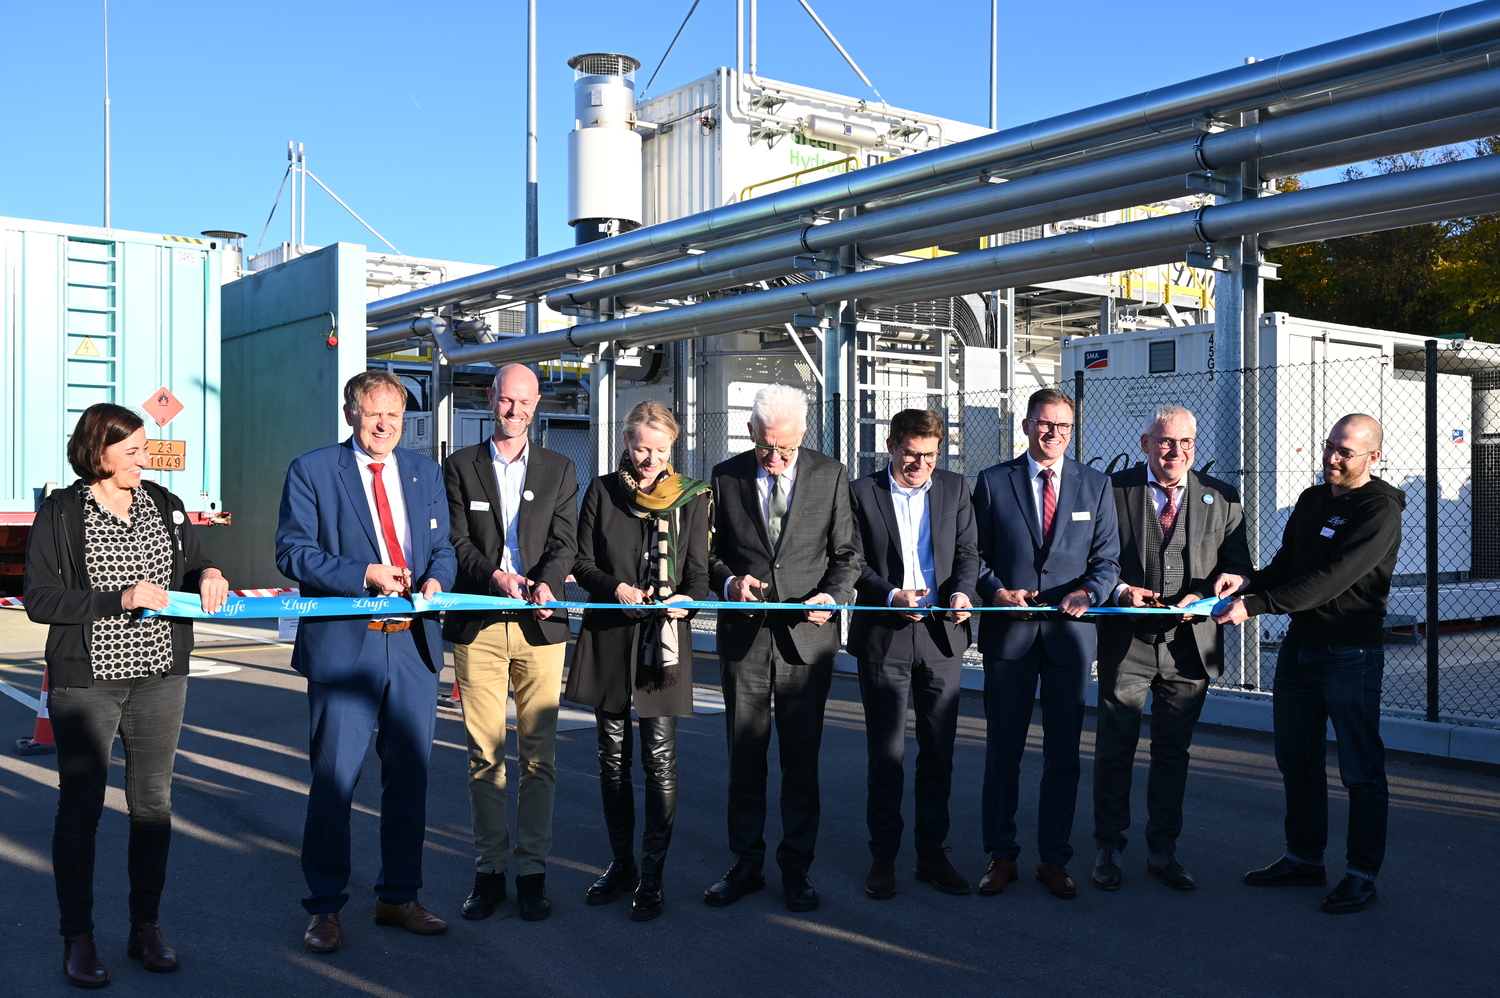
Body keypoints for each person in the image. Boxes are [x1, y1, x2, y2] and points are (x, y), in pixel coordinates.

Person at [24, 402, 228, 988]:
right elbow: (40, 599)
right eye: (133, 451)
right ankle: (78, 937)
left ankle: (146, 928)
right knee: (81, 809)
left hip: (160, 675)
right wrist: (121, 598)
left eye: (145, 449)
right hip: (87, 680)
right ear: (99, 453)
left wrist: (209, 574)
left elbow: (194, 563)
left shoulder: (164, 504)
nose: (146, 460)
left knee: (153, 805)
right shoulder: (61, 512)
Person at [275, 371, 456, 954]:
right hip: (346, 647)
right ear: (350, 413)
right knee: (335, 780)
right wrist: (365, 574)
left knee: (410, 780)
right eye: (374, 414)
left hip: (412, 646)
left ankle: (399, 896)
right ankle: (324, 907)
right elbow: (293, 552)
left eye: (395, 416)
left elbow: (444, 549)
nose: (385, 426)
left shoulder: (425, 472)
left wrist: (436, 580)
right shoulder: (312, 470)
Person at [1214, 413, 1402, 915]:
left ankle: (1361, 875)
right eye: (1329, 446)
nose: (1333, 458)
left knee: (1360, 771)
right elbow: (1289, 566)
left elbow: (1333, 579)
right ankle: (1304, 859)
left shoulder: (1379, 509)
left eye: (1346, 452)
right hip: (1300, 649)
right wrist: (1248, 581)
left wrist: (1255, 606)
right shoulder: (1312, 498)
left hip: (1349, 653)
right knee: (1296, 758)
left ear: (1373, 457)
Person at [702, 384, 860, 913]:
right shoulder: (725, 476)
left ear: (803, 434)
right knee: (744, 756)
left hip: (806, 640)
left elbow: (847, 555)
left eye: (786, 448)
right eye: (766, 446)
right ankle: (745, 864)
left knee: (800, 759)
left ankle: (797, 868)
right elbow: (708, 553)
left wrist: (832, 597)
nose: (775, 458)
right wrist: (729, 584)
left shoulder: (831, 474)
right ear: (750, 431)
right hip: (745, 636)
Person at [1090, 405, 1253, 893]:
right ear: (1145, 444)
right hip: (1127, 642)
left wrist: (1213, 591)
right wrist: (1121, 591)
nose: (1175, 451)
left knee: (1173, 753)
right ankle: (1108, 847)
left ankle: (1163, 850)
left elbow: (1239, 567)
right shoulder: (1112, 490)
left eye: (1185, 443)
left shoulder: (1221, 497)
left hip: (1189, 646)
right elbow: (1094, 558)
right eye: (1164, 441)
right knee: (1115, 747)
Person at [565, 401, 711, 921]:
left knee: (659, 760)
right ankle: (621, 863)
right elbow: (581, 562)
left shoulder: (692, 497)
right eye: (641, 448)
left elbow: (699, 576)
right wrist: (617, 588)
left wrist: (686, 602)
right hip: (610, 635)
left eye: (660, 450)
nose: (650, 459)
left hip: (663, 641)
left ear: (673, 447)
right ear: (626, 443)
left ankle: (653, 876)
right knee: (611, 759)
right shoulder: (603, 490)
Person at [971, 387, 1119, 900]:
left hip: (1069, 640)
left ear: (1071, 431)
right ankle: (1001, 855)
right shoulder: (993, 482)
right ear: (1027, 425)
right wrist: (995, 591)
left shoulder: (1095, 485)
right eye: (1044, 423)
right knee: (1002, 752)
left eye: (1063, 426)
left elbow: (1107, 560)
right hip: (1009, 635)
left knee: (1063, 756)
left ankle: (1054, 859)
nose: (1053, 433)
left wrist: (1088, 593)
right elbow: (974, 554)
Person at [442, 364, 578, 922]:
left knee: (539, 758)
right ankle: (489, 874)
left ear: (536, 404)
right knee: (485, 756)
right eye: (505, 400)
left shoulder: (560, 469)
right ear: (490, 398)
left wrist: (547, 581)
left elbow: (566, 542)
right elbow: (455, 542)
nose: (514, 411)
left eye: (524, 402)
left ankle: (532, 875)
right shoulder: (459, 467)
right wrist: (495, 576)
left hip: (539, 628)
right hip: (479, 625)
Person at [848, 409, 979, 900]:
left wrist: (962, 593)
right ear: (891, 446)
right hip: (886, 634)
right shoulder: (861, 492)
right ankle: (883, 854)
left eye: (929, 455)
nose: (919, 464)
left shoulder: (955, 487)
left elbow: (968, 553)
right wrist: (890, 595)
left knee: (938, 750)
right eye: (910, 454)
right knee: (887, 754)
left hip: (943, 635)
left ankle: (931, 853)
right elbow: (853, 561)